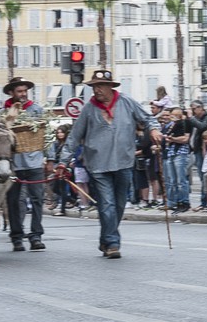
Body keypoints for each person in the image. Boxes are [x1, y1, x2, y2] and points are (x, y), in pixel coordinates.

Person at [60, 69, 157, 259]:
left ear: (110, 87)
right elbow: (74, 137)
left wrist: (154, 130)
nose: (96, 90)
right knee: (107, 204)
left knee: (119, 204)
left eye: (100, 86)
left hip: (124, 162)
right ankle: (113, 243)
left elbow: (148, 118)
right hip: (98, 165)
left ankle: (105, 238)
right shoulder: (89, 109)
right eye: (94, 86)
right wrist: (63, 162)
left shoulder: (126, 102)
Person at [1, 77, 47, 252]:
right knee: (13, 201)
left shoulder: (36, 110)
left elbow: (45, 135)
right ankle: (17, 237)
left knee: (37, 199)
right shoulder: (3, 112)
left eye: (24, 91)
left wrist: (49, 159)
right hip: (13, 164)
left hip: (34, 162)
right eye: (19, 91)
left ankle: (36, 236)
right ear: (12, 93)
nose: (22, 94)